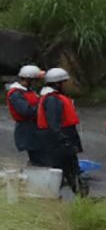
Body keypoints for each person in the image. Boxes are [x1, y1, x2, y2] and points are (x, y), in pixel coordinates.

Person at [34, 68, 82, 196]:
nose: (67, 85)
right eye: (64, 82)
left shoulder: (55, 97)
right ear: (57, 84)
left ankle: (81, 195)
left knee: (72, 170)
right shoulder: (52, 100)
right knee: (60, 172)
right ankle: (54, 198)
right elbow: (54, 125)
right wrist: (65, 141)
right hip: (58, 143)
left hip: (61, 141)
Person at [9, 65, 39, 172]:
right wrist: (43, 106)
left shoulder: (28, 91)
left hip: (34, 127)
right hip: (27, 129)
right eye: (35, 80)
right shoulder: (16, 94)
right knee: (37, 158)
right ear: (28, 80)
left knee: (40, 156)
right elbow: (26, 111)